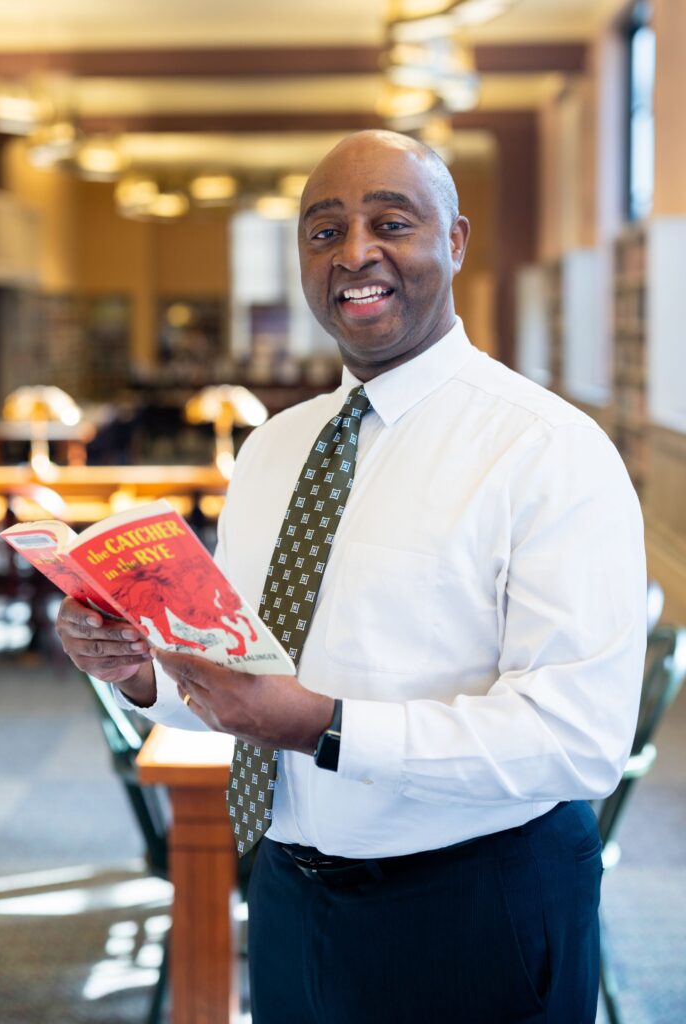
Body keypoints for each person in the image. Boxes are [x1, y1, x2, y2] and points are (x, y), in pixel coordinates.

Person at [57, 130, 647, 1024]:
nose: (355, 253)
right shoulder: (271, 450)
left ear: (454, 241)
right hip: (291, 896)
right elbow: (242, 674)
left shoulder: (549, 450)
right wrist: (138, 669)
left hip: (477, 901)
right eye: (324, 231)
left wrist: (325, 728)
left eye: (392, 222)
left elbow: (579, 738)